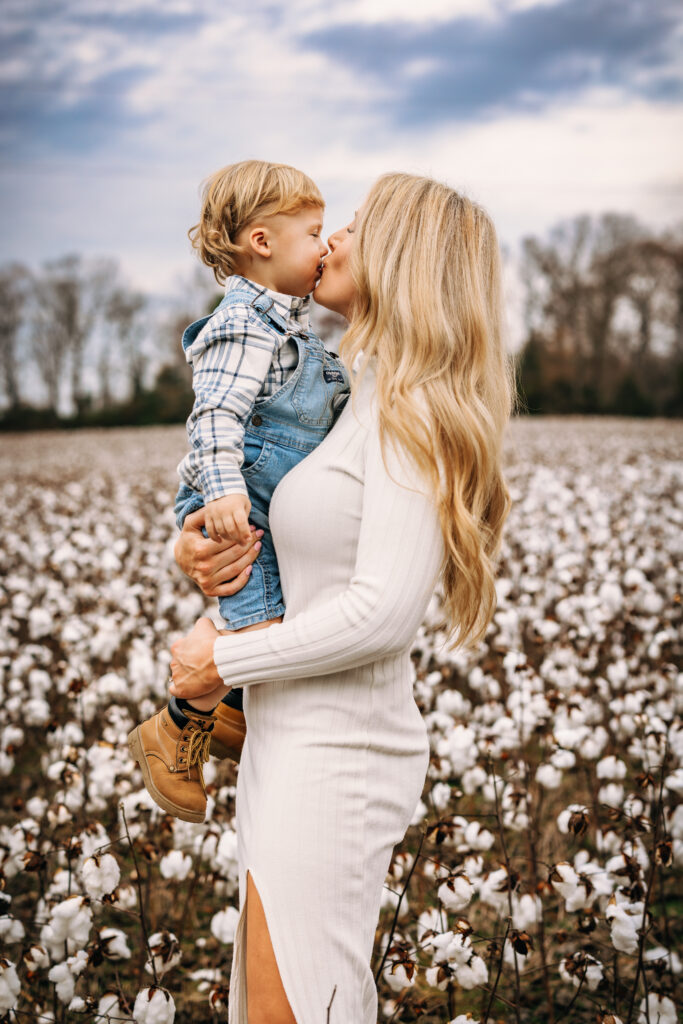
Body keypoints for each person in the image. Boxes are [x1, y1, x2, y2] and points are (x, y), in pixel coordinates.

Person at [171, 173, 513, 1024]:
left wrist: (223, 659)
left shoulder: (412, 411)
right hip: (286, 741)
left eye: (352, 226)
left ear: (398, 256)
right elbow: (298, 538)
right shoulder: (346, 397)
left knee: (296, 1010)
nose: (330, 241)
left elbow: (382, 614)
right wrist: (200, 549)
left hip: (337, 756)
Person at [127, 160, 350, 823]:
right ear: (261, 241)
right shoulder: (244, 322)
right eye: (312, 232)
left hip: (256, 502)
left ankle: (228, 711)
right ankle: (177, 727)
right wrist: (222, 495)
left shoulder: (289, 326)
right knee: (263, 628)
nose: (323, 244)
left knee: (268, 617)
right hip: (240, 509)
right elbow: (215, 416)